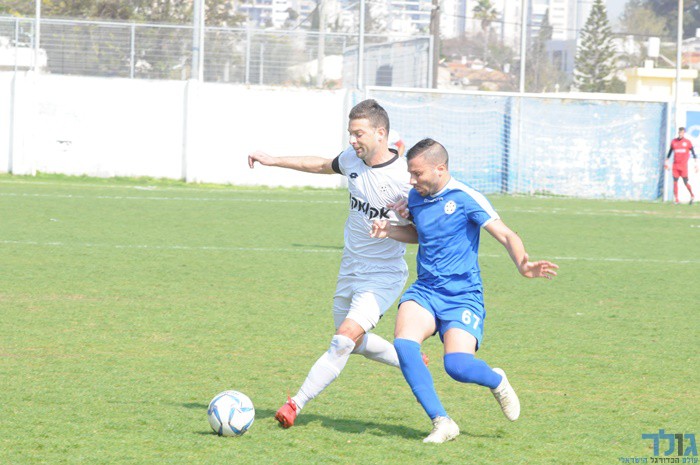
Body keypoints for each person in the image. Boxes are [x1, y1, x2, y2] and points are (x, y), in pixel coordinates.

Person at [371, 138, 559, 444]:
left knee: (457, 367)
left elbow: (505, 234)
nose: (412, 180)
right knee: (404, 345)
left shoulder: (466, 197)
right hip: (426, 290)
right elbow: (421, 234)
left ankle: (496, 381)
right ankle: (441, 422)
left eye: (417, 173)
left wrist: (523, 265)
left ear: (440, 168)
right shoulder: (416, 197)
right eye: (410, 173)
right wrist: (389, 230)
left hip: (462, 296)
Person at [247, 99, 416, 428]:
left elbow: (422, 234)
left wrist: (391, 230)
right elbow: (320, 165)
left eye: (358, 134)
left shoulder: (404, 180)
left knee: (342, 340)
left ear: (381, 134)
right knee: (353, 343)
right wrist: (273, 160)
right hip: (350, 268)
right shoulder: (352, 159)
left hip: (383, 274)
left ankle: (295, 404)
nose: (352, 140)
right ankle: (408, 359)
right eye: (350, 133)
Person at [665, 127, 698, 205]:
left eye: (682, 132)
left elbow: (693, 152)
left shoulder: (687, 142)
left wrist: (696, 164)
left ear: (684, 133)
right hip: (675, 165)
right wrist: (666, 162)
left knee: (685, 182)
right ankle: (676, 200)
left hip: (683, 166)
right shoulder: (674, 142)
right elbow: (670, 152)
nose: (681, 134)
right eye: (680, 132)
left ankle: (692, 195)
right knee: (675, 182)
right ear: (678, 132)